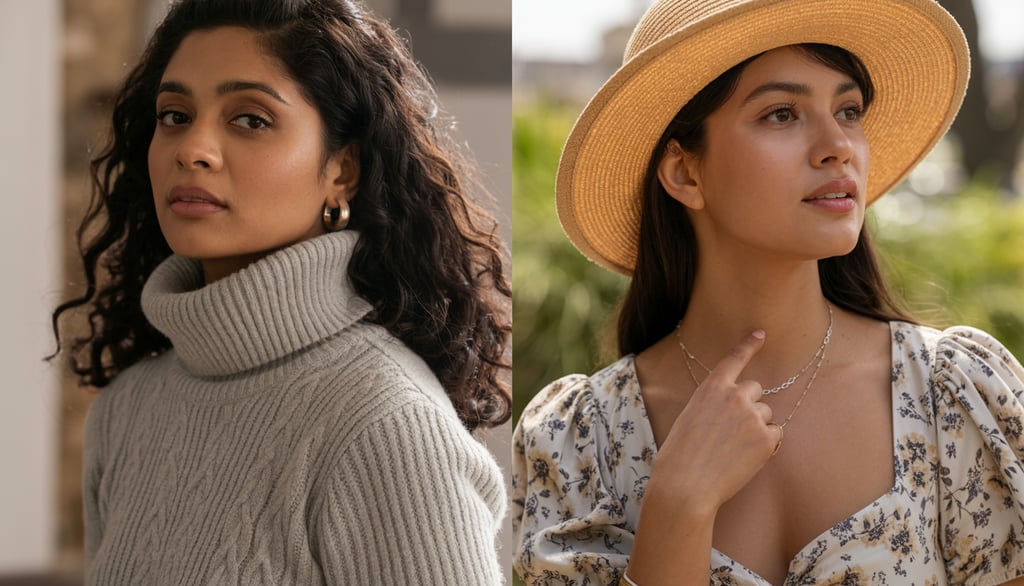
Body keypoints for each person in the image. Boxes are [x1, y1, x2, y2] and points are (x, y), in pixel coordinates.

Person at [512, 0, 1024, 584]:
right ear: (684, 172)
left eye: (849, 110)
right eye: (782, 113)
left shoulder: (950, 397)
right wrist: (679, 503)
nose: (838, 145)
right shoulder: (581, 442)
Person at [49, 0, 510, 583]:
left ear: (342, 170)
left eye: (251, 119)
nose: (192, 149)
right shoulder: (125, 410)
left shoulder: (387, 424)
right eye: (175, 115)